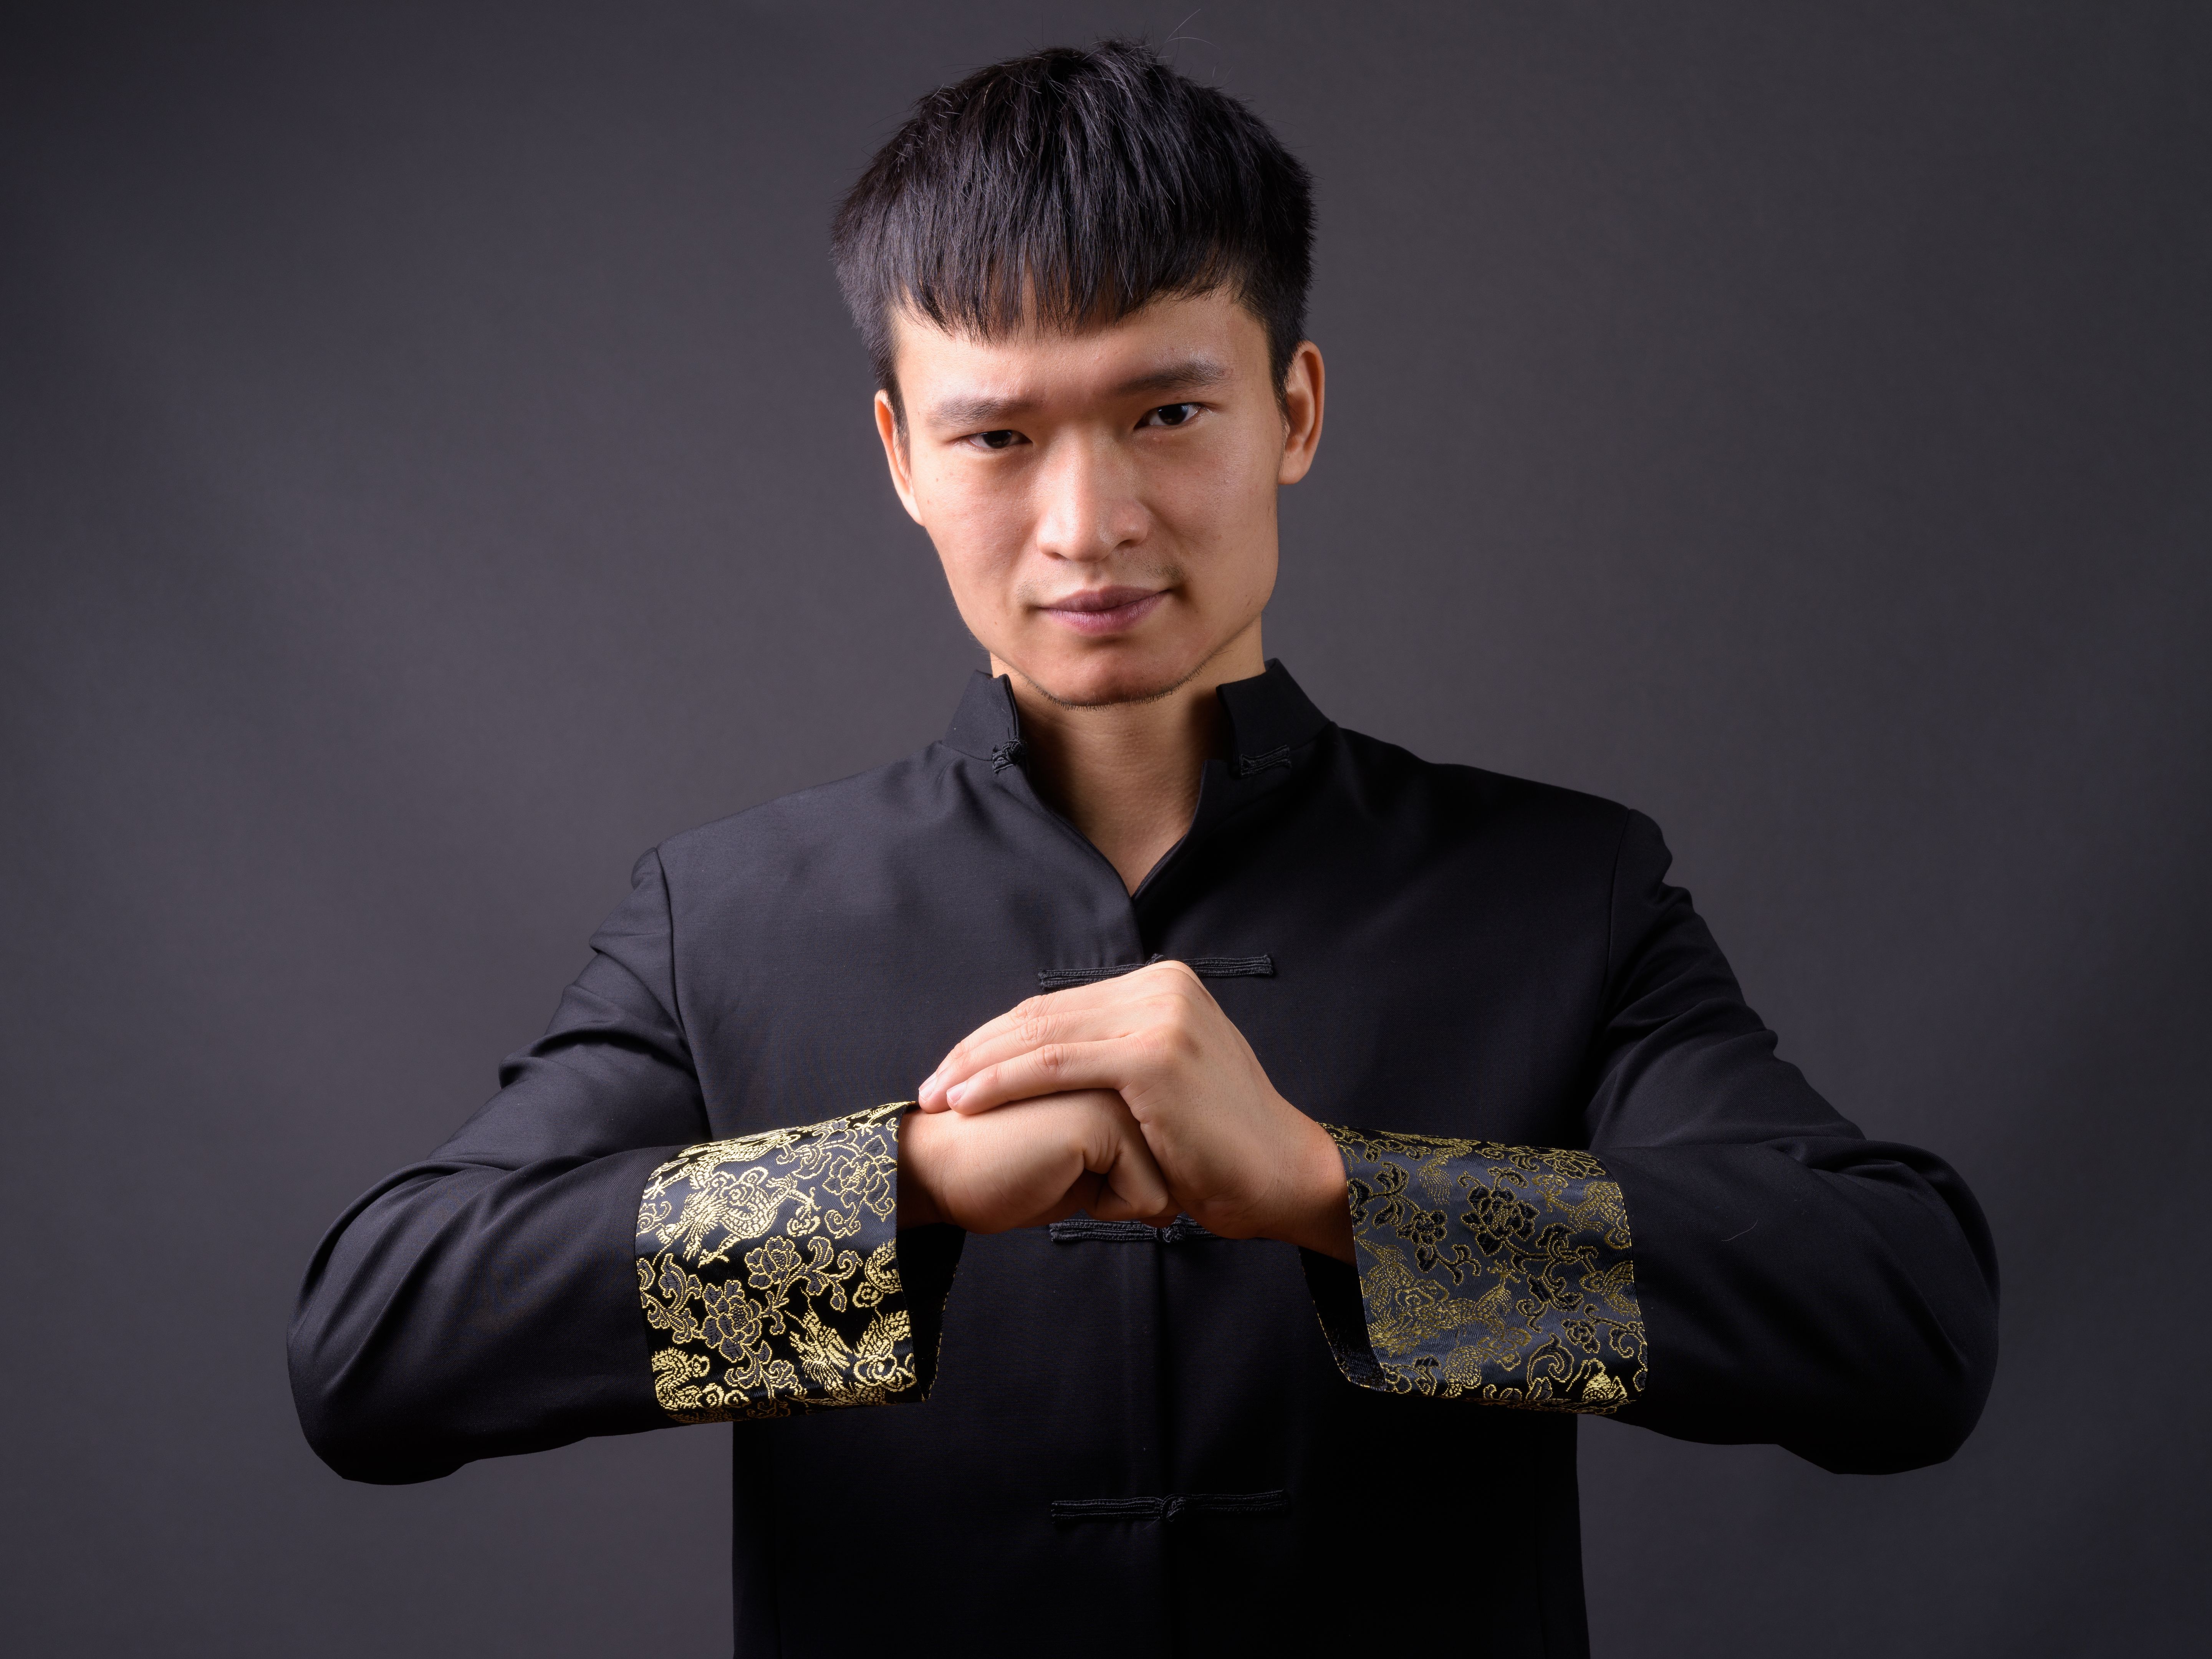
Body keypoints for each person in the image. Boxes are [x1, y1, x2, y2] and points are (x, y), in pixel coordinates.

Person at [290, 38, 1998, 1657]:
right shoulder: (727, 919)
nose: (1087, 524)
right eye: (998, 434)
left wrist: (1340, 1198)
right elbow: (376, 1358)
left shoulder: (1560, 892)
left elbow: (1906, 1335)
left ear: (1296, 410)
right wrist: (898, 1195)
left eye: (1168, 414)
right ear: (900, 454)